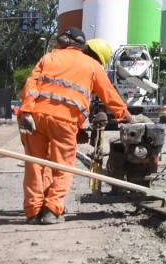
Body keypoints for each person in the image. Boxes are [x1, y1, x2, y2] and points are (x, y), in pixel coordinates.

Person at [18, 28, 131, 224]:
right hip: (64, 122)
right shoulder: (93, 66)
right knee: (63, 167)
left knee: (34, 165)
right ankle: (51, 209)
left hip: (35, 117)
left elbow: (31, 85)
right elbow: (109, 95)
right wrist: (128, 117)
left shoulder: (49, 58)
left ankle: (33, 210)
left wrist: (26, 111)